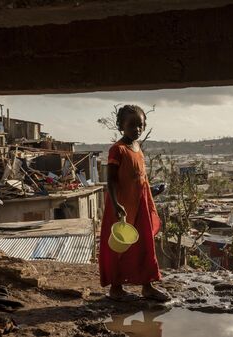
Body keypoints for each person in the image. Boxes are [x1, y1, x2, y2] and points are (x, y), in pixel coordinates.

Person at [99, 105, 170, 302]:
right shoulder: (117, 150)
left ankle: (148, 286)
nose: (137, 129)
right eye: (132, 125)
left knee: (145, 244)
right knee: (119, 248)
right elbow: (111, 180)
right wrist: (115, 204)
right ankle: (116, 287)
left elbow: (140, 179)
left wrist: (151, 192)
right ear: (121, 125)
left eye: (140, 125)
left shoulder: (138, 148)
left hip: (140, 205)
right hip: (121, 207)